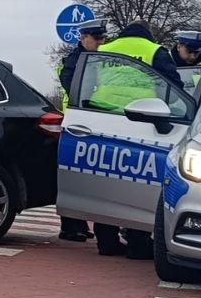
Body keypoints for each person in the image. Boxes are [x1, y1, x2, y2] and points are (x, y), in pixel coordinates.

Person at [86, 21, 180, 259]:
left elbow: (84, 82)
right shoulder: (155, 51)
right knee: (138, 183)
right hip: (142, 122)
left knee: (104, 182)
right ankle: (138, 244)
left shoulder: (104, 49)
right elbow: (174, 87)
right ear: (148, 35)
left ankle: (106, 241)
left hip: (102, 118)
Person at [57, 19, 108, 242]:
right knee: (74, 175)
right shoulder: (75, 60)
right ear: (84, 37)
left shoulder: (95, 58)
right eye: (96, 38)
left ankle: (80, 224)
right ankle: (70, 227)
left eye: (102, 38)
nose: (101, 42)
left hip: (88, 121)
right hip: (76, 124)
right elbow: (72, 86)